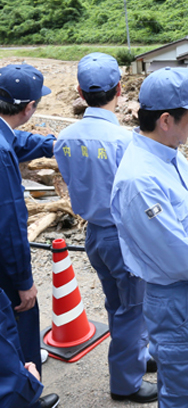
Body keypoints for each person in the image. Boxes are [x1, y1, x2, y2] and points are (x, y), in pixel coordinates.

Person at [110, 67, 188, 408]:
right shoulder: (141, 181)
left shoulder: (171, 155)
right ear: (165, 120)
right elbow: (174, 251)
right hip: (178, 296)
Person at [54, 53, 157, 403]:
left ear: (81, 93)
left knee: (118, 304)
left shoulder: (64, 138)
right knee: (133, 309)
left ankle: (136, 356)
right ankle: (126, 382)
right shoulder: (125, 141)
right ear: (120, 88)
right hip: (124, 236)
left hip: (95, 235)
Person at [0, 63, 60, 408]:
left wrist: (48, 144)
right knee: (18, 318)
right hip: (3, 265)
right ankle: (25, 394)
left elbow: (17, 140)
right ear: (29, 108)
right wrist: (24, 280)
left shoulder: (4, 138)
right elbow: (9, 223)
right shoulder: (2, 155)